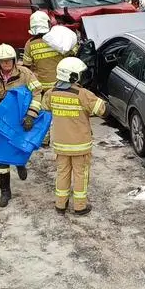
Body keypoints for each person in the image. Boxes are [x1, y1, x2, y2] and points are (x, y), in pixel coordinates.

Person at [0, 44, 43, 207]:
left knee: (19, 147)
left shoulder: (25, 74)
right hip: (1, 123)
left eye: (9, 60)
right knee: (0, 157)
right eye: (2, 61)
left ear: (14, 60)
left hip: (20, 120)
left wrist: (31, 115)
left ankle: (20, 163)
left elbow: (37, 93)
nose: (6, 63)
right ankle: (5, 192)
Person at [41, 57, 107, 215]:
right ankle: (80, 206)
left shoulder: (51, 93)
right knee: (80, 175)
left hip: (60, 144)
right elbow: (103, 111)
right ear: (73, 76)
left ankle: (60, 205)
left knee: (62, 173)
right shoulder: (83, 94)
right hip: (80, 145)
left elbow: (45, 109)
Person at [22, 11, 64, 91]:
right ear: (48, 24)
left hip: (41, 87)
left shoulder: (30, 44)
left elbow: (26, 67)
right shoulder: (58, 39)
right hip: (61, 84)